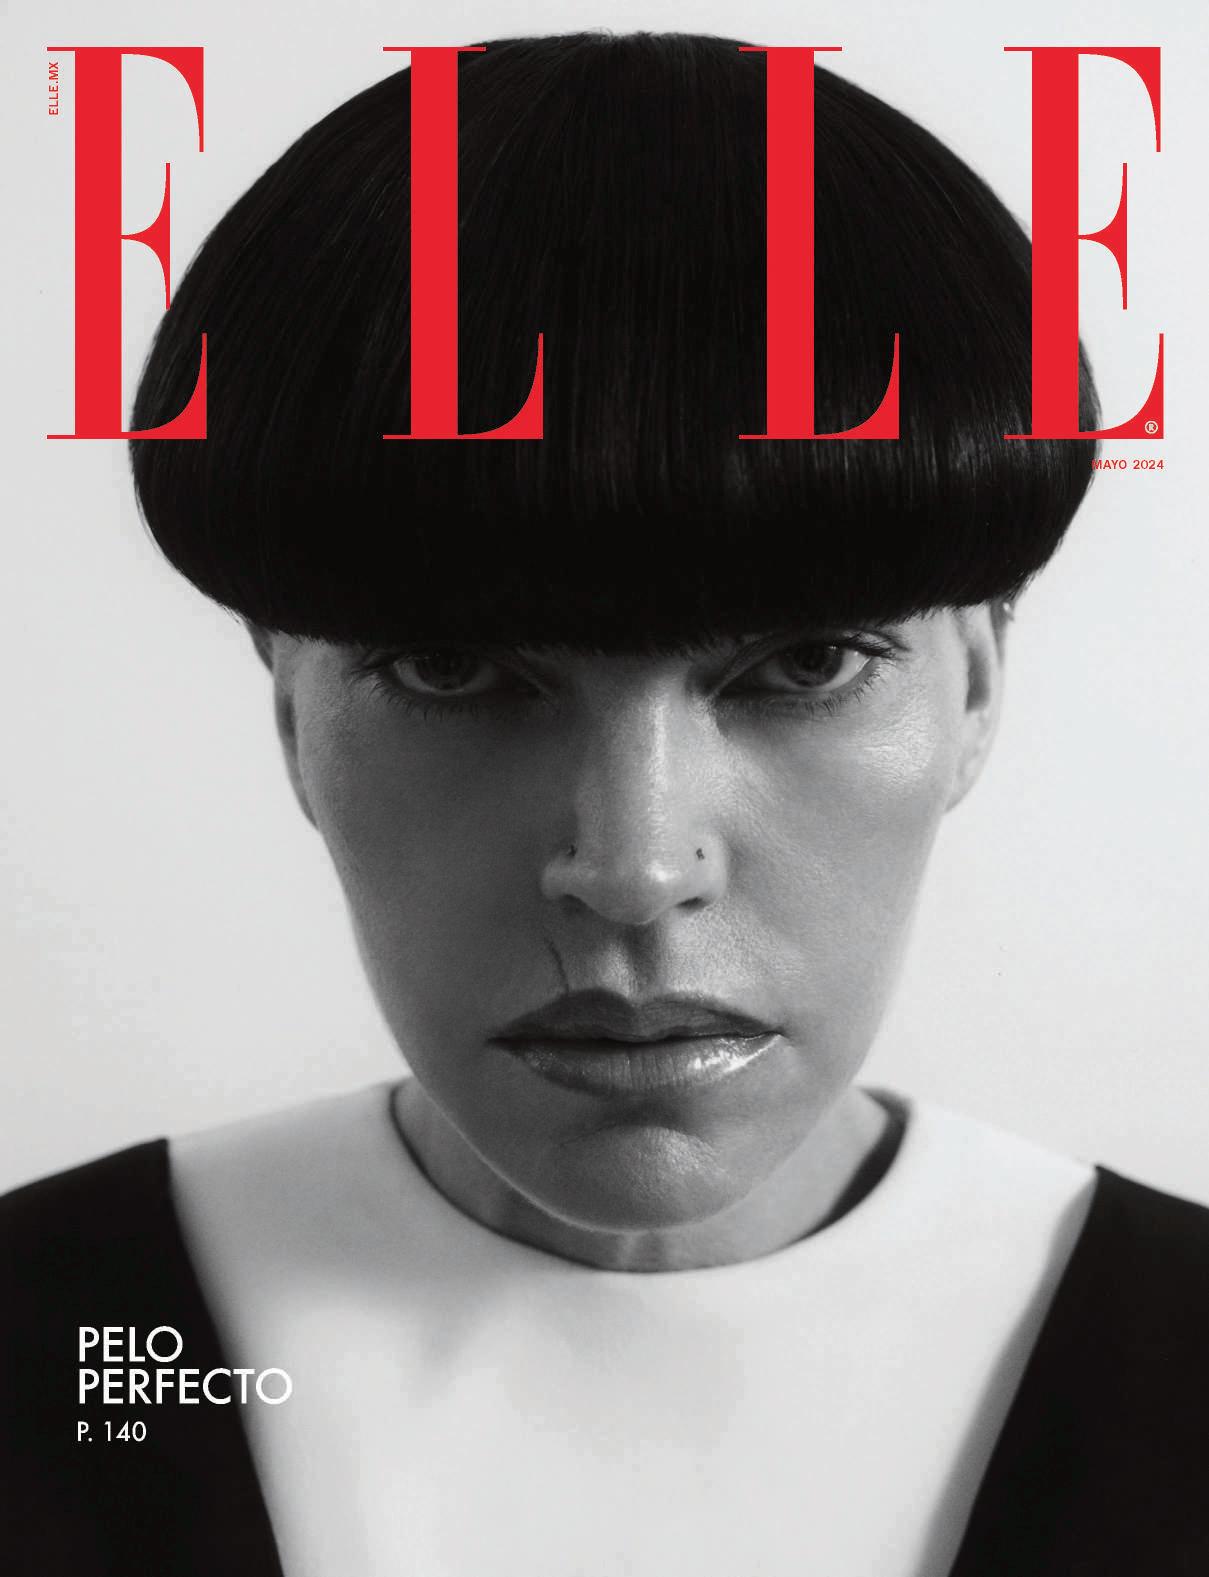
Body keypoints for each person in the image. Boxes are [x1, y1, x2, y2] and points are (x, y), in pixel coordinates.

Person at [4, 31, 1207, 1577]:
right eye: (452, 669)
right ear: (289, 704)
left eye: (804, 663)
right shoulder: (49, 1351)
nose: (632, 867)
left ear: (974, 684)